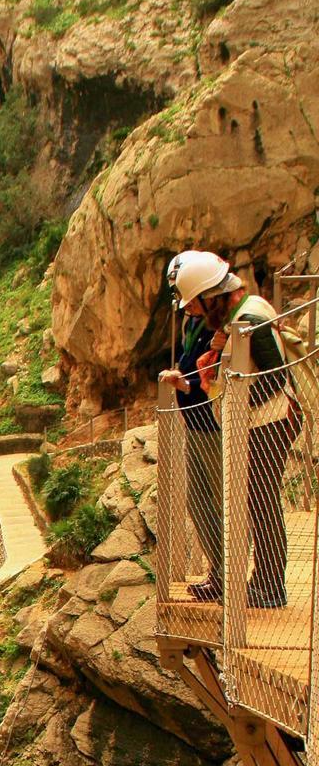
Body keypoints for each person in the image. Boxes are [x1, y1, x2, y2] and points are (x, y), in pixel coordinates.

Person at [176, 250, 301, 608]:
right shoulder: (243, 314)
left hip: (270, 421)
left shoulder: (250, 319)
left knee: (262, 502)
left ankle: (269, 587)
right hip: (263, 420)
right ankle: (263, 582)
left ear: (210, 296)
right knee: (257, 501)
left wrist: (235, 396)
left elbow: (276, 377)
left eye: (198, 304)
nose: (197, 313)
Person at [160, 251, 224, 602]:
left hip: (211, 423)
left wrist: (185, 384)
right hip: (196, 422)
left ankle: (223, 575)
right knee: (198, 501)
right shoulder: (195, 323)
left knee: (215, 500)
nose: (186, 307)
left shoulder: (219, 326)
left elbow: (213, 377)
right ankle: (219, 571)